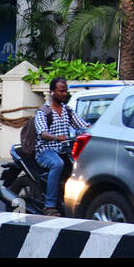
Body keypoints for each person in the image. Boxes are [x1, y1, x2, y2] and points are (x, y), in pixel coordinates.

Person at [33, 77, 89, 216]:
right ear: (52, 92)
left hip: (64, 150)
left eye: (66, 91)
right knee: (57, 164)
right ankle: (50, 206)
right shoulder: (43, 112)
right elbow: (42, 133)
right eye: (61, 91)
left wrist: (96, 129)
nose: (65, 94)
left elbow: (83, 125)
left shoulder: (67, 111)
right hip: (46, 150)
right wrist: (57, 137)